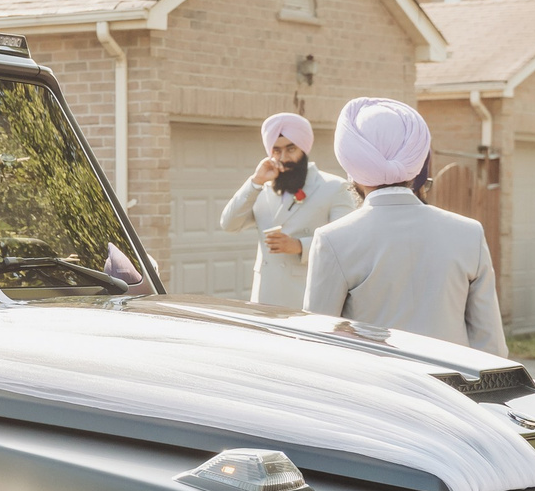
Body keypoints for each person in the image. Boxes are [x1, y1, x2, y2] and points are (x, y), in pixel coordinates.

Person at [303, 96, 507, 356]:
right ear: (417, 164)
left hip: (377, 392)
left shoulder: (332, 240)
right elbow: (492, 347)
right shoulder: (469, 233)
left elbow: (318, 342)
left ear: (352, 166)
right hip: (453, 392)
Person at [216, 111, 356, 308]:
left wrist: (300, 246)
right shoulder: (261, 188)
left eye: (291, 149)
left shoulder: (334, 187)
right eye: (276, 151)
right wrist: (255, 181)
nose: (284, 158)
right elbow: (229, 224)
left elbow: (347, 243)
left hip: (309, 300)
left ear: (304, 149)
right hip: (265, 300)